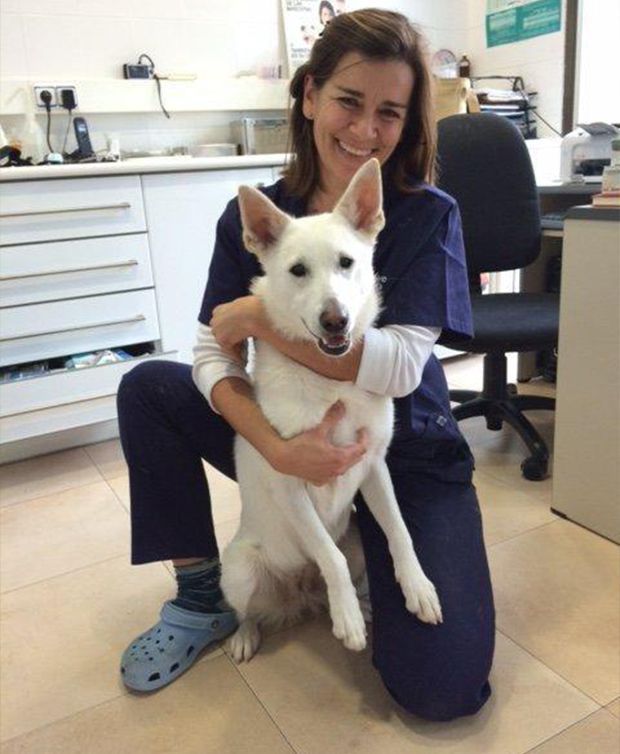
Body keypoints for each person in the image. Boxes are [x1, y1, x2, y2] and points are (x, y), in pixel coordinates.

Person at [117, 8, 495, 721]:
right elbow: (209, 350)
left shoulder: (423, 215)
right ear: (310, 95)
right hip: (287, 435)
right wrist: (276, 451)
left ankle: (372, 566)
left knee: (443, 690)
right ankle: (204, 597)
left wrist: (260, 317)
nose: (364, 129)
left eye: (389, 111)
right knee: (149, 387)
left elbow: (401, 367)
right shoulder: (261, 219)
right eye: (349, 102)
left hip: (402, 449)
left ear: (407, 122)